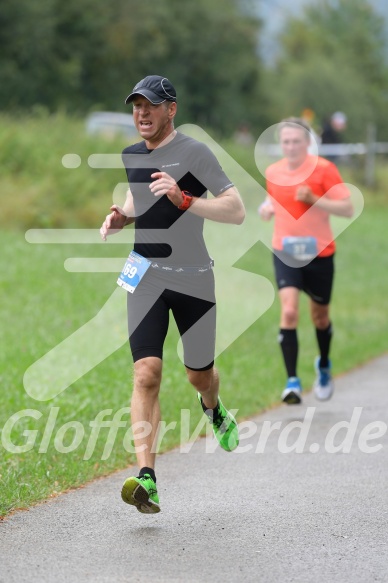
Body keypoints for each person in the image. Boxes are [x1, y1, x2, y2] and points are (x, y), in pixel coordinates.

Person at [100, 75, 245, 513]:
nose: (141, 113)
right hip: (144, 272)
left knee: (198, 375)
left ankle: (213, 406)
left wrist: (185, 200)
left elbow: (235, 209)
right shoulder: (131, 155)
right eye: (136, 106)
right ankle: (148, 478)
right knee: (146, 372)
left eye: (150, 106)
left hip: (194, 276)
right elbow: (137, 193)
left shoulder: (196, 153)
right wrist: (121, 216)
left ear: (171, 110)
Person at [258, 117, 353, 405]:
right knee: (288, 312)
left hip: (319, 254)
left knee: (319, 317)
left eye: (296, 141)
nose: (291, 146)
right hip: (285, 251)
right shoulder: (274, 171)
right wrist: (267, 207)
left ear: (308, 142)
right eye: (285, 141)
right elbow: (274, 199)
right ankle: (292, 382)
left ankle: (323, 365)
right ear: (280, 144)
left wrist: (315, 199)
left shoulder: (324, 169)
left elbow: (347, 208)